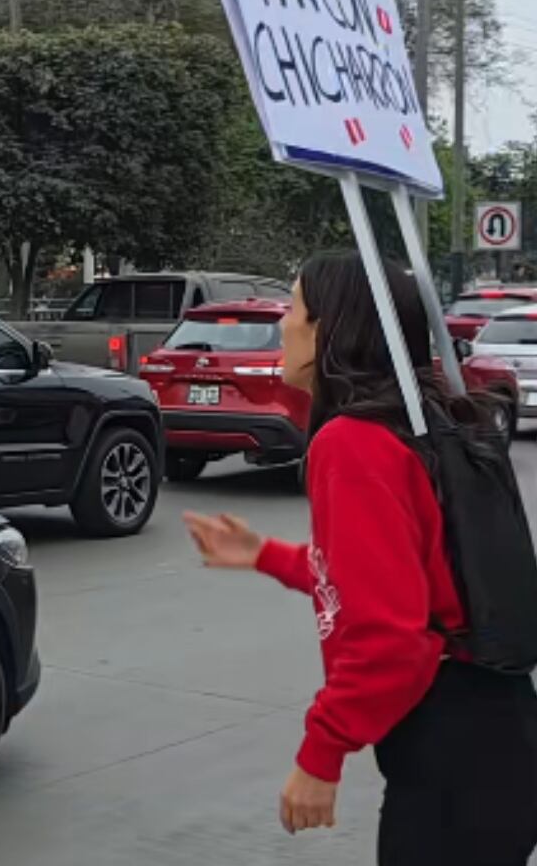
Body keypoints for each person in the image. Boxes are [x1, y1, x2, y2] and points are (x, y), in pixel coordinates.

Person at [183, 250, 537, 864]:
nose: (285, 324)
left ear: (330, 328)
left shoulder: (353, 443)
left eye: (295, 308)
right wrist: (265, 554)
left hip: (452, 755)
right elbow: (401, 576)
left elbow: (389, 637)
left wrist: (321, 754)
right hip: (498, 731)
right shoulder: (432, 420)